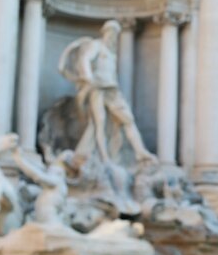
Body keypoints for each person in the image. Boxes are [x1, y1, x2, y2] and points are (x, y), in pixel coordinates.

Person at [59, 20, 156, 164]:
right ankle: (104, 158)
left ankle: (140, 151)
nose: (113, 36)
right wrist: (88, 77)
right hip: (97, 87)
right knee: (99, 123)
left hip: (112, 89)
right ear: (105, 32)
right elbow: (85, 59)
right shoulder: (96, 45)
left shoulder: (111, 53)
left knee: (127, 119)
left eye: (115, 34)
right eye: (111, 32)